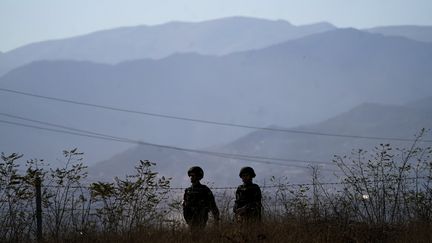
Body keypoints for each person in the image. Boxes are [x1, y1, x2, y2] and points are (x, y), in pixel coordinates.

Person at [183, 166, 220, 232]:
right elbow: (184, 205)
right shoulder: (188, 191)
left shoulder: (204, 190)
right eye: (190, 176)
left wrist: (216, 218)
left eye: (193, 175)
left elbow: (212, 204)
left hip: (201, 218)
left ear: (198, 176)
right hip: (189, 219)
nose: (191, 177)